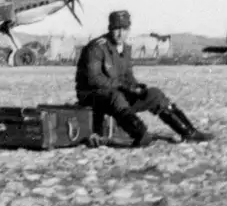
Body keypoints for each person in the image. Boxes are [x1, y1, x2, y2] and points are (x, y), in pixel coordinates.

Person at [76, 10, 213, 147]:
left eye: (124, 29)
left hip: (115, 94)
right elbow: (94, 79)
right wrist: (124, 86)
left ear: (128, 30)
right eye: (116, 29)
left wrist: (136, 87)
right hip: (92, 96)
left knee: (155, 94)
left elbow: (127, 75)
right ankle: (140, 135)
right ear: (110, 29)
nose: (120, 33)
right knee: (116, 97)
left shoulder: (125, 48)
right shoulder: (96, 47)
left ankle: (189, 132)